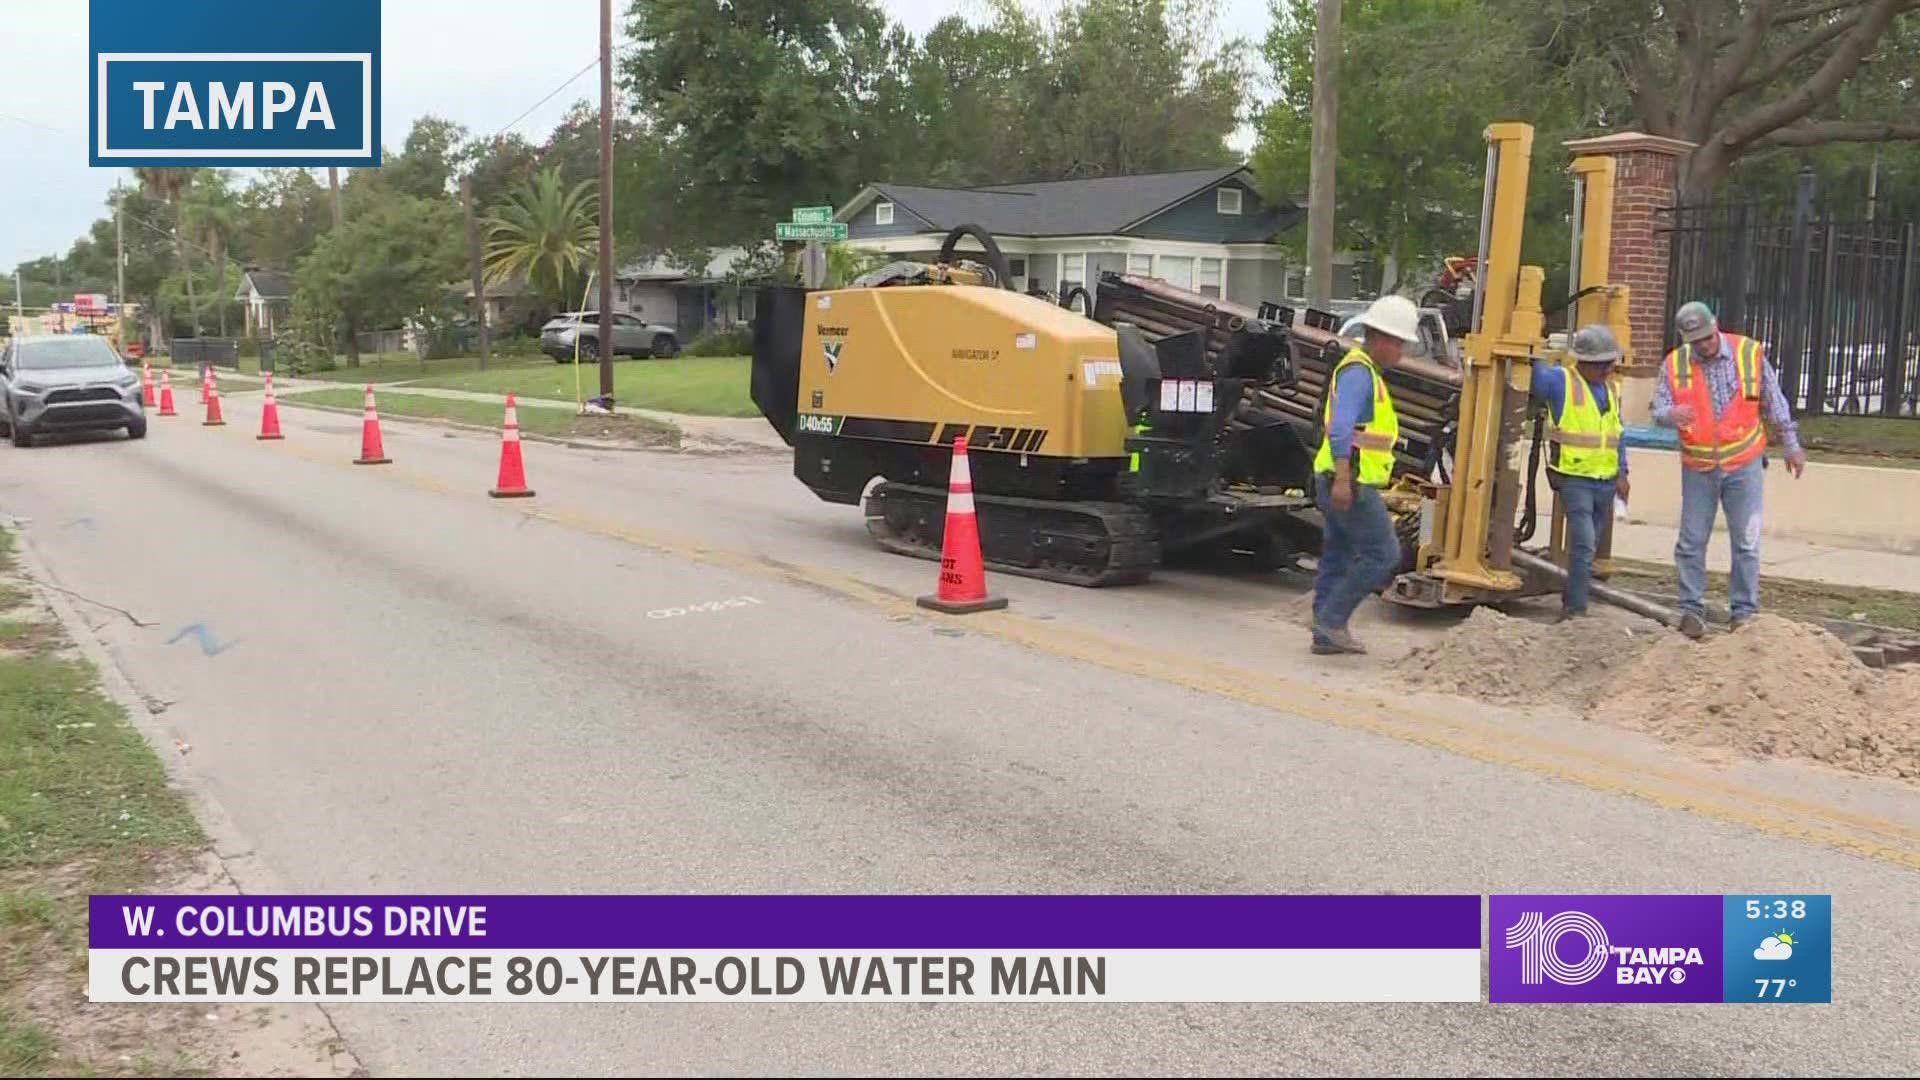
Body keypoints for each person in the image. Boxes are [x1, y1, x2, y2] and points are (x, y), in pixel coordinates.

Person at [1651, 301, 1808, 639]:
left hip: (1744, 463)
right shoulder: (1675, 364)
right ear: (1685, 339)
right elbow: (1658, 408)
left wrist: (1791, 444)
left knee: (1746, 542)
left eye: (1708, 338)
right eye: (1696, 342)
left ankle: (1744, 613)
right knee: (1691, 541)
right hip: (1699, 467)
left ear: (1715, 326)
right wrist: (1670, 414)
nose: (1704, 346)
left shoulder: (1748, 353)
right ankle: (1691, 609)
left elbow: (1773, 399)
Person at [1310, 294, 1419, 655]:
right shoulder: (1359, 373)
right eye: (1400, 343)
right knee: (1383, 554)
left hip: (1336, 477)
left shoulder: (1361, 369)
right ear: (1383, 339)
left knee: (1339, 553)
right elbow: (1342, 430)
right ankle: (1331, 621)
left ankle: (1324, 630)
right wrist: (1343, 479)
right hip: (1349, 481)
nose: (1401, 351)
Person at [1534, 325, 1630, 620]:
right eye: (1601, 364)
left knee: (1586, 551)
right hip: (1575, 480)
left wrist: (1622, 473)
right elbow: (1534, 374)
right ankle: (1574, 609)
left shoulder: (1611, 390)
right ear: (1583, 362)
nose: (1606, 369)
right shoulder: (1560, 382)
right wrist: (1532, 334)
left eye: (1609, 363)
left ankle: (1573, 598)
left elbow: (1617, 434)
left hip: (1605, 481)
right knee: (1584, 544)